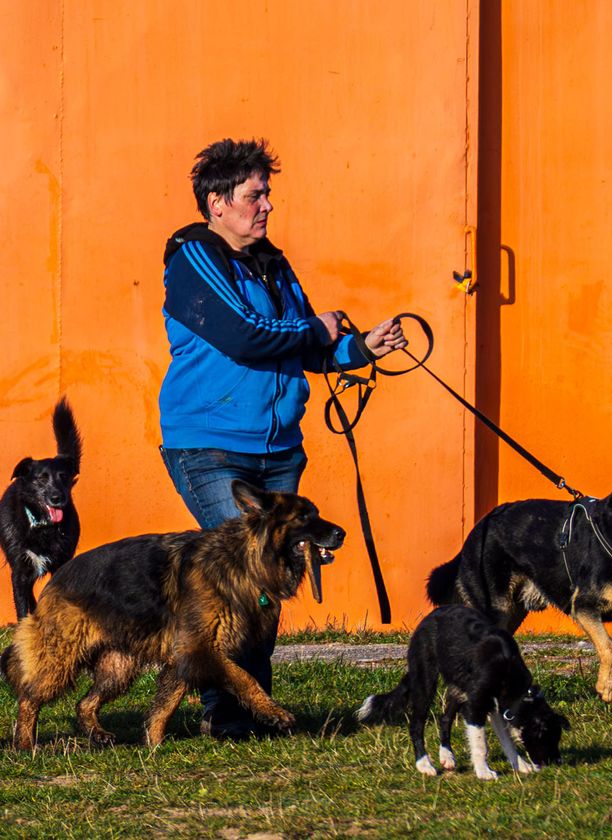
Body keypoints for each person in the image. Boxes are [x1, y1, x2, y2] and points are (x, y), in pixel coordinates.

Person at [157, 138, 405, 739]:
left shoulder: (274, 263)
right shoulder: (193, 258)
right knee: (237, 574)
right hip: (209, 444)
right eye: (253, 195)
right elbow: (246, 336)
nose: (266, 204)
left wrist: (359, 348)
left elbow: (307, 346)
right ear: (216, 203)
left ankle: (250, 703)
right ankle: (227, 711)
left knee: (267, 581)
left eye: (267, 193)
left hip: (279, 450)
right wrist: (311, 330)